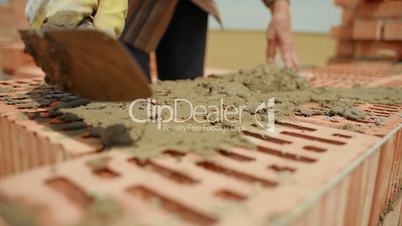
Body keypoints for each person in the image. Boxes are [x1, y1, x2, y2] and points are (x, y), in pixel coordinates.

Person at [25, 0, 299, 81]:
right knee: (118, 100)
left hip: (189, 7)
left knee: (182, 103)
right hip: (130, 8)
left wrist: (279, 5)